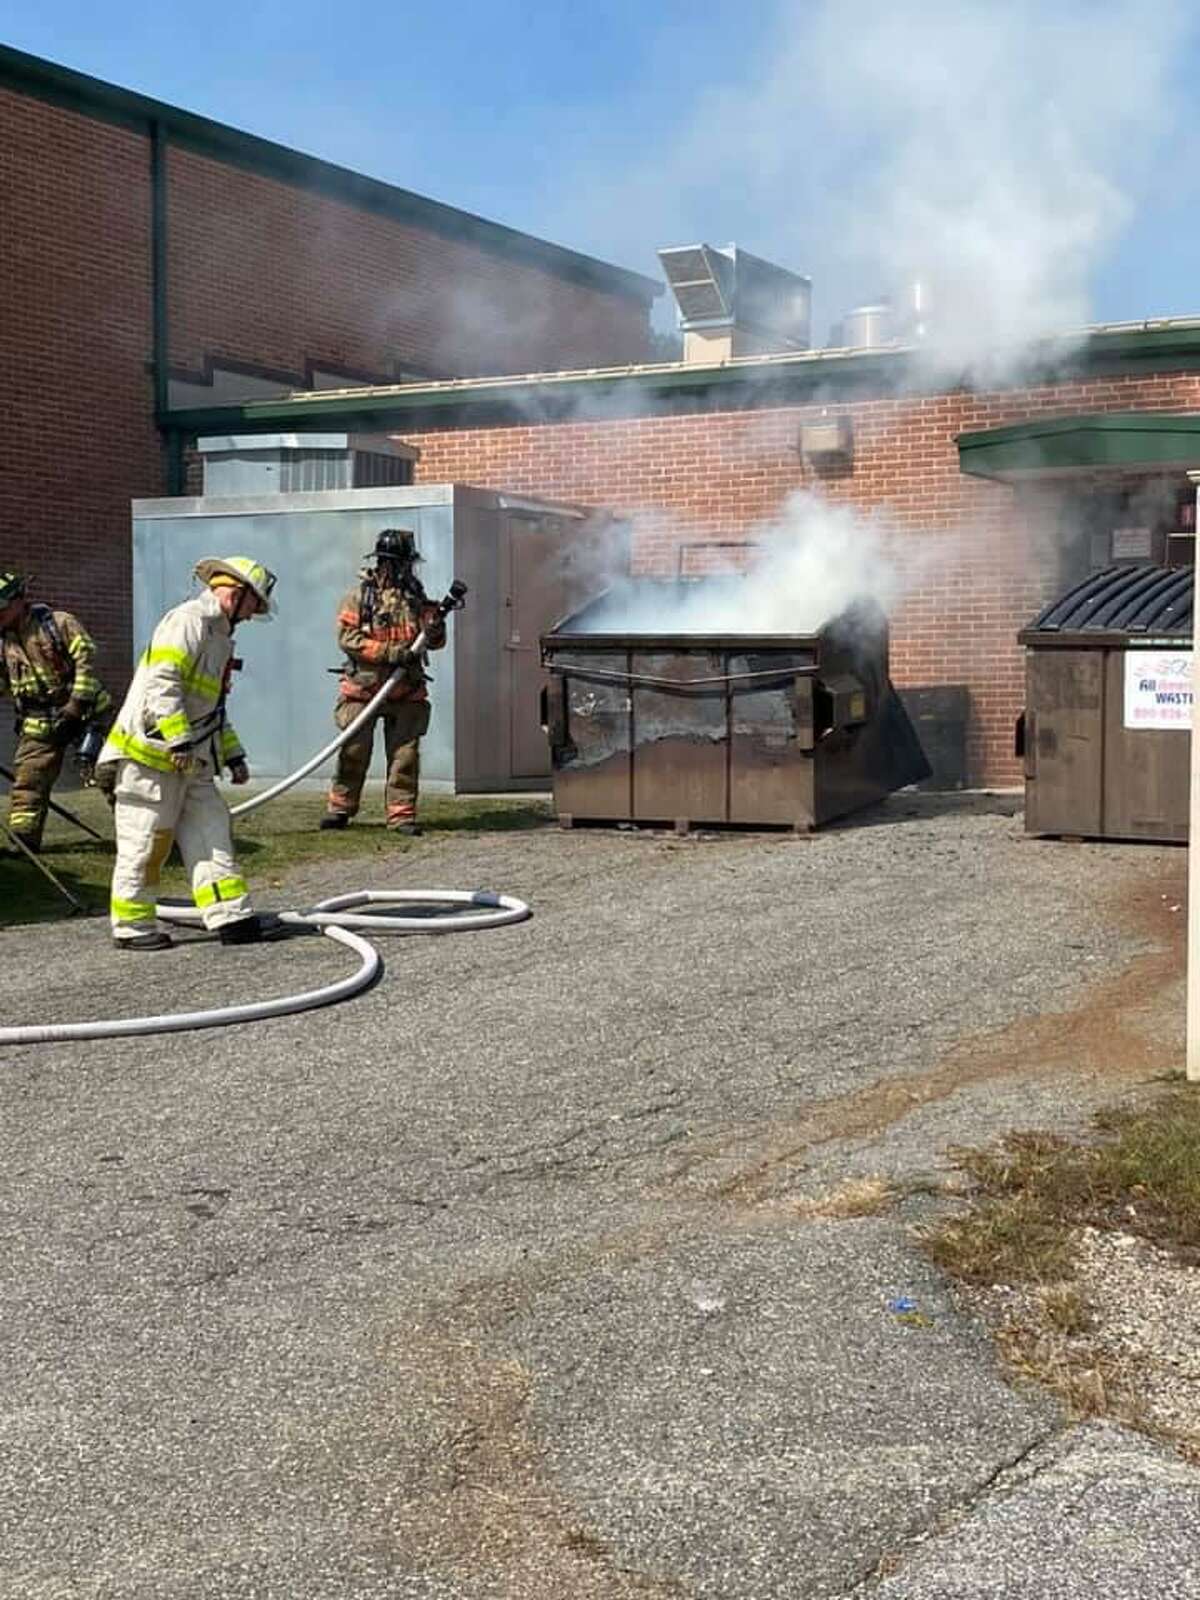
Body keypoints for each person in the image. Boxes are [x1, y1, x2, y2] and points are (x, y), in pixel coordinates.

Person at [101, 555, 291, 951]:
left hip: (193, 761)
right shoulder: (188, 621)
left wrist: (233, 754)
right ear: (235, 596)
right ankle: (132, 926)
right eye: (255, 604)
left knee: (212, 834)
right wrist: (179, 740)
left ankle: (231, 918)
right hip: (150, 759)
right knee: (146, 842)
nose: (255, 614)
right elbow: (162, 683)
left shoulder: (219, 636)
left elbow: (210, 707)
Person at [320, 528, 446, 835]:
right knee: (353, 752)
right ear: (382, 563)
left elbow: (437, 642)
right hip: (363, 690)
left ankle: (401, 816)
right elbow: (347, 638)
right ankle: (340, 809)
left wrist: (435, 630)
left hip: (406, 692)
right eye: (396, 563)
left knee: (405, 758)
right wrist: (390, 653)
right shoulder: (359, 597)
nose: (402, 570)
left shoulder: (417, 599)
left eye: (405, 564)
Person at [0, 570, 116, 852]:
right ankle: (23, 842)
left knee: (112, 775)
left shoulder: (58, 623)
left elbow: (87, 661)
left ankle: (147, 837)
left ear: (18, 600)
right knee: (29, 781)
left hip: (89, 715)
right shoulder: (2, 643)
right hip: (39, 723)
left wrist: (76, 704)